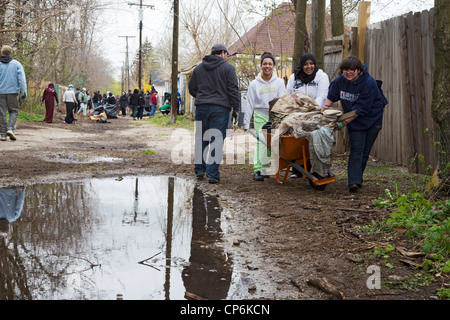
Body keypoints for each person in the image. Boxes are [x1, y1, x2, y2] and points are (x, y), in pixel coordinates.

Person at [325, 55, 387, 193]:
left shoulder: (368, 83)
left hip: (372, 119)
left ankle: (357, 178)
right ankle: (354, 182)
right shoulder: (341, 81)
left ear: (359, 70)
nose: (348, 72)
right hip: (355, 120)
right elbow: (331, 95)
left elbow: (360, 110)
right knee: (357, 148)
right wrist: (325, 110)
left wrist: (342, 124)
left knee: (365, 151)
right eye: (345, 69)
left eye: (352, 69)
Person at [188, 43, 240, 184]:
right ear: (223, 53)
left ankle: (199, 170)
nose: (227, 58)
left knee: (200, 139)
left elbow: (191, 87)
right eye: (227, 55)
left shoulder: (199, 68)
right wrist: (236, 108)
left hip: (201, 108)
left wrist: (202, 97)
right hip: (220, 108)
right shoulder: (228, 68)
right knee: (216, 140)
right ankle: (212, 174)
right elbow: (233, 89)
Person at [243, 52, 286, 181]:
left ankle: (265, 168)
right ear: (261, 66)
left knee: (272, 142)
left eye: (270, 64)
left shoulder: (278, 82)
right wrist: (246, 123)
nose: (267, 66)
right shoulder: (254, 84)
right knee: (262, 141)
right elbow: (249, 104)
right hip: (260, 114)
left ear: (273, 66)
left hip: (274, 115)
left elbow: (282, 101)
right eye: (265, 63)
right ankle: (258, 169)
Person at [286, 53, 330, 178]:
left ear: (315, 64)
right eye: (305, 64)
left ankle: (314, 167)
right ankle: (297, 169)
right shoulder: (294, 77)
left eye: (311, 64)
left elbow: (322, 96)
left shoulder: (321, 77)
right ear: (301, 65)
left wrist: (312, 109)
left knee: (314, 138)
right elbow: (289, 94)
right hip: (297, 113)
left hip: (315, 113)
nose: (309, 66)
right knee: (297, 139)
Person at [0, 45, 27, 141]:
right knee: (14, 111)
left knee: (1, 113)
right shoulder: (17, 64)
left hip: (0, 92)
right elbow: (22, 80)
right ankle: (10, 129)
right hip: (13, 92)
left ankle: (3, 134)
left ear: (2, 52)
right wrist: (24, 92)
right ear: (11, 53)